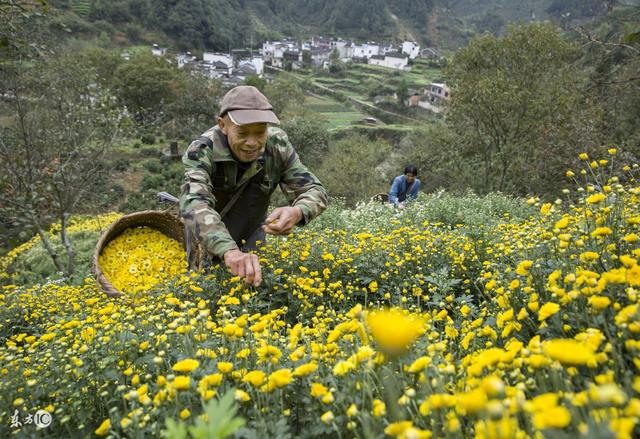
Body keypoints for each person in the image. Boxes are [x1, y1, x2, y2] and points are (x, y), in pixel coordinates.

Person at [180, 85, 328, 287]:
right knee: (204, 293)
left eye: (260, 132)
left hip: (252, 237)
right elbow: (194, 203)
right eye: (242, 133)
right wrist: (229, 251)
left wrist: (298, 211)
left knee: (252, 294)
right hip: (207, 237)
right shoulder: (203, 150)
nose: (252, 142)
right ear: (223, 125)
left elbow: (314, 190)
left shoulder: (277, 145)